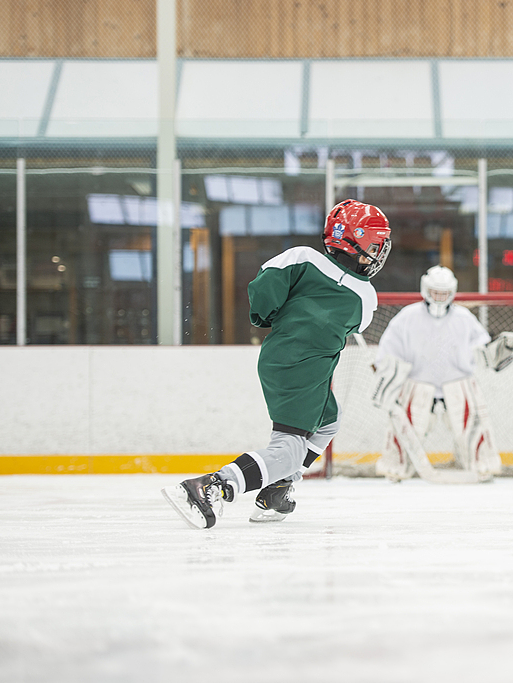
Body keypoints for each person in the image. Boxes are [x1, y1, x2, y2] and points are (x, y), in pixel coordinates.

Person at [162, 199, 392, 528]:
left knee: (329, 421)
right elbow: (348, 322)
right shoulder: (335, 278)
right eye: (375, 241)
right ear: (354, 239)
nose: (379, 250)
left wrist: (276, 315)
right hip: (295, 364)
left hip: (302, 365)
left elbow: (265, 292)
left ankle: (277, 487)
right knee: (289, 449)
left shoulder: (312, 265)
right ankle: (212, 485)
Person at [369, 265, 513, 482]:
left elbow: (483, 349)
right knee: (406, 429)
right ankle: (396, 468)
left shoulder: (464, 317)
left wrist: (501, 349)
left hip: (459, 383)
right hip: (417, 383)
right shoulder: (408, 316)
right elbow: (390, 346)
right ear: (425, 290)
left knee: (474, 427)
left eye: (444, 293)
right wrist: (384, 369)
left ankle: (482, 466)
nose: (439, 298)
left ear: (452, 292)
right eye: (435, 293)